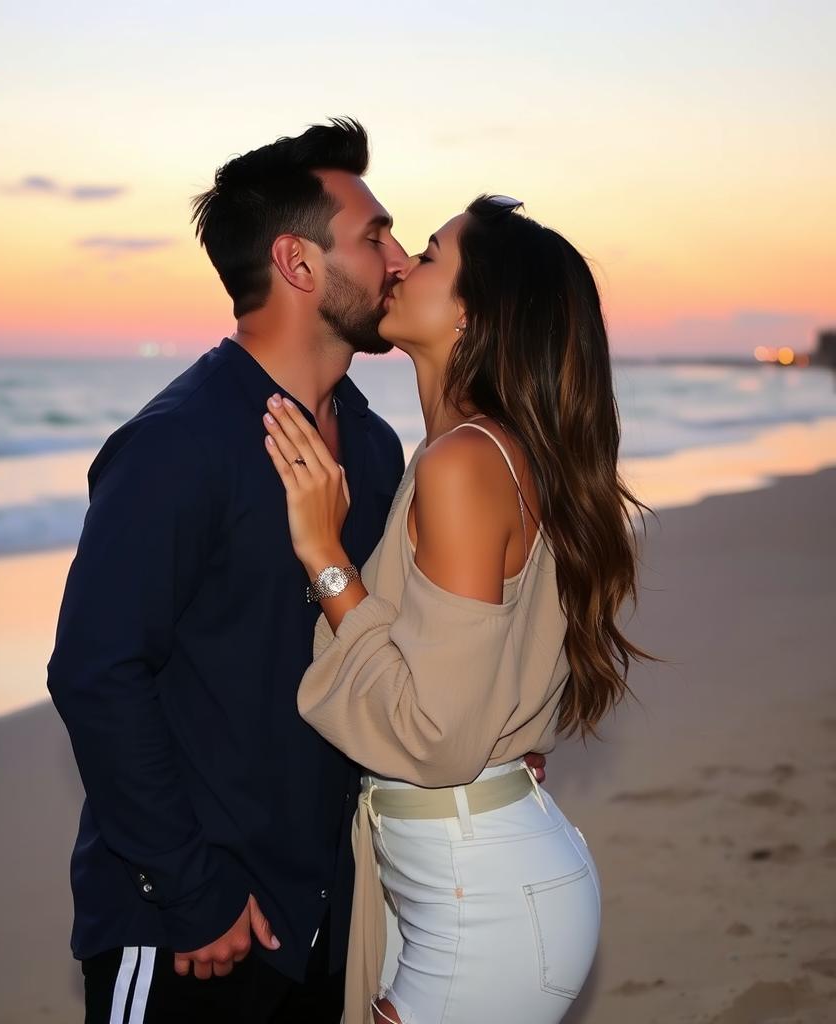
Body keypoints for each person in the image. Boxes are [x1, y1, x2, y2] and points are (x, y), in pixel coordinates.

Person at [46, 120, 548, 1024]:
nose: (397, 258)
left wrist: (493, 741)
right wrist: (190, 889)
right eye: (374, 235)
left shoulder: (372, 442)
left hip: (331, 913)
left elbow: (402, 651)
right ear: (298, 262)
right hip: (191, 932)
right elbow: (96, 672)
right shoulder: (179, 444)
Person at [261, 195, 656, 1024]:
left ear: (476, 315)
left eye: (431, 256)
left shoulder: (465, 463)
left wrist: (325, 557)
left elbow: (438, 735)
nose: (401, 264)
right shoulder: (485, 454)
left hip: (481, 895)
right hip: (460, 869)